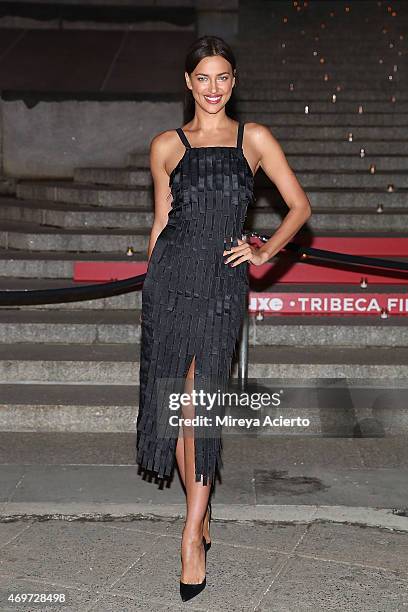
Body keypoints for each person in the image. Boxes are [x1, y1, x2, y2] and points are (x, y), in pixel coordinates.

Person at [136, 35, 312, 601]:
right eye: (203, 78)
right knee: (178, 403)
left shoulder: (252, 138)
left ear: (234, 82)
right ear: (188, 83)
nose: (213, 89)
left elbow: (299, 207)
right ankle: (200, 514)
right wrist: (151, 275)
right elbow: (162, 222)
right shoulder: (166, 145)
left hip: (220, 286)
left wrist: (263, 252)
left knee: (201, 402)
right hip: (170, 283)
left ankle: (191, 533)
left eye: (223, 78)